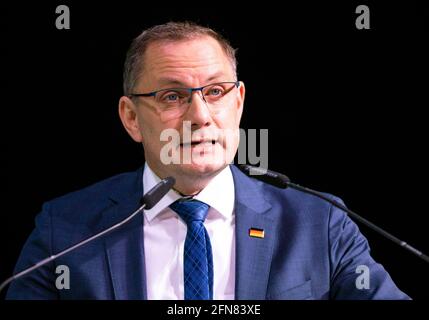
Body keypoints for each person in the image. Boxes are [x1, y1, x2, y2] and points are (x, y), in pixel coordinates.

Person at [6, 22, 409, 300]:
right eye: (172, 96)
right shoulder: (68, 230)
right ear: (131, 118)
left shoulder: (318, 223)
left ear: (239, 102)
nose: (200, 115)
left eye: (215, 91)